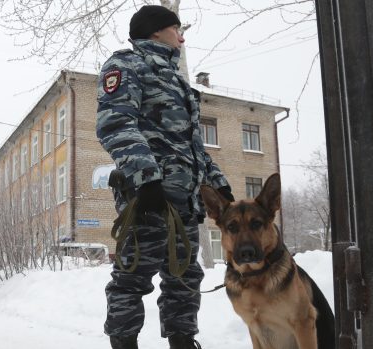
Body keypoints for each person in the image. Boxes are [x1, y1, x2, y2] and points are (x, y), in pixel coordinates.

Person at [96, 5, 234, 349]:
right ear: (156, 31)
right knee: (132, 278)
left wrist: (217, 183)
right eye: (177, 29)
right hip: (147, 198)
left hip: (185, 202)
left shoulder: (178, 82)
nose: (182, 37)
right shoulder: (126, 66)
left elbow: (193, 145)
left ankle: (183, 342)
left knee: (184, 278)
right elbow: (115, 125)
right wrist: (147, 179)